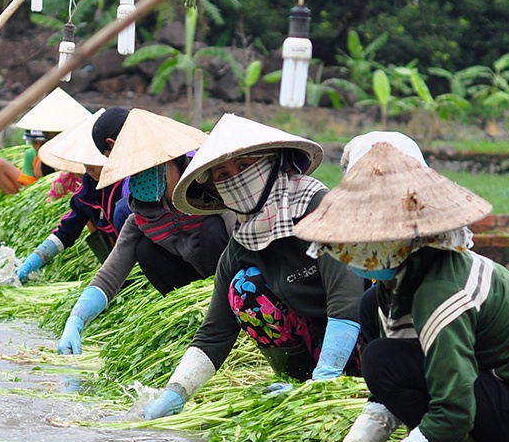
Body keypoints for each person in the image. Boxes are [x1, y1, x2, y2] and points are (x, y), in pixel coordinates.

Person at [294, 141, 509, 442]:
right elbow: (392, 390)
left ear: (392, 242)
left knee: (381, 360)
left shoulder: (440, 292)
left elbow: (454, 409)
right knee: (383, 354)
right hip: (498, 396)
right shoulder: (392, 287)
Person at [142, 114, 366, 420]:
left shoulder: (318, 208)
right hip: (313, 347)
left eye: (245, 166)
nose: (234, 178)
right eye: (222, 174)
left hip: (367, 339)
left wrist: (325, 380)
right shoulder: (242, 243)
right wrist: (174, 395)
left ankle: (335, 383)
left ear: (273, 162)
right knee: (244, 289)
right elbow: (214, 333)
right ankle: (297, 382)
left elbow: (348, 301)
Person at [56, 109, 235, 354]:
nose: (143, 178)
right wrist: (76, 319)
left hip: (231, 284)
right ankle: (194, 320)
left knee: (213, 229)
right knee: (144, 248)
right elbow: (110, 275)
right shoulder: (142, 216)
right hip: (192, 290)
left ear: (171, 161)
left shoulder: (214, 195)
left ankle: (228, 317)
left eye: (151, 169)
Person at [15, 107, 131, 284]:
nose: (87, 168)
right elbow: (68, 229)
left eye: (92, 162)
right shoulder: (89, 187)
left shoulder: (128, 184)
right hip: (114, 260)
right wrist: (32, 263)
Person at [0, 86, 91, 195]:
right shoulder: (32, 155)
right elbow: (29, 185)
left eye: (42, 143)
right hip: (40, 192)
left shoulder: (74, 155)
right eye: (35, 143)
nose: (38, 147)